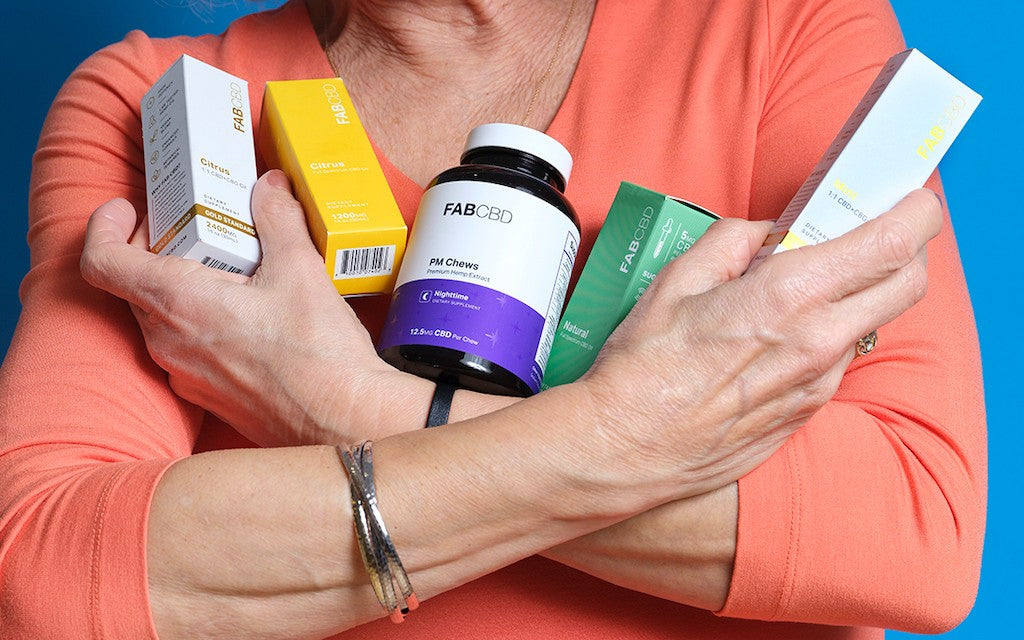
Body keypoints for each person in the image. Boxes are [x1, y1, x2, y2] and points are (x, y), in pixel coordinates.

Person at [0, 0, 985, 638]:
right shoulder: (157, 102)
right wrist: (641, 428)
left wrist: (344, 402)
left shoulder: (781, 23)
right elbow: (44, 572)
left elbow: (912, 523)